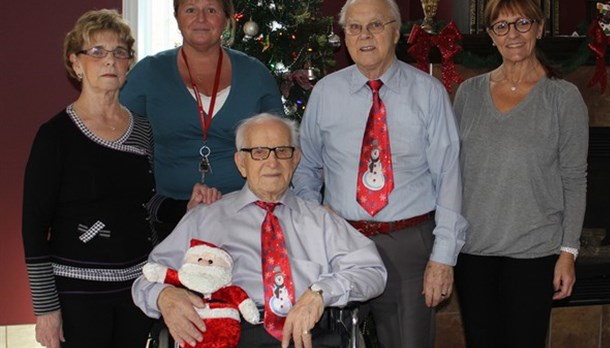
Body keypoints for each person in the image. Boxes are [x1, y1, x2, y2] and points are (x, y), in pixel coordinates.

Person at [292, 0, 467, 347]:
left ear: (396, 32)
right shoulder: (326, 93)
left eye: (375, 25)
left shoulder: (429, 93)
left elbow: (449, 178)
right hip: (339, 243)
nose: (364, 36)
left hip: (408, 246)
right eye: (354, 28)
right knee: (330, 341)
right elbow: (306, 165)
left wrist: (443, 258)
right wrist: (314, 218)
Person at [132, 113, 387, 348]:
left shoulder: (321, 221)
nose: (272, 162)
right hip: (229, 334)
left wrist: (321, 292)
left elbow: (372, 271)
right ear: (241, 162)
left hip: (306, 334)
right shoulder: (204, 218)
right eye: (259, 152)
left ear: (295, 159)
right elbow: (147, 278)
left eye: (282, 151)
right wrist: (163, 296)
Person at [452, 1, 589, 347]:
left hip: (534, 255)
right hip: (473, 254)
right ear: (491, 36)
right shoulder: (468, 94)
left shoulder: (563, 98)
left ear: (540, 28)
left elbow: (574, 180)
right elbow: (450, 173)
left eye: (522, 23)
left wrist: (568, 253)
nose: (512, 34)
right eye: (501, 26)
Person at [21, 9, 155, 348]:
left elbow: (148, 204)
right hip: (76, 294)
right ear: (76, 63)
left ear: (128, 64)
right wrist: (45, 309)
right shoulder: (55, 135)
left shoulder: (142, 129)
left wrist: (189, 204)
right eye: (97, 52)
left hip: (136, 291)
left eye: (119, 52)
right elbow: (34, 226)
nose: (109, 60)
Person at [120, 0, 284, 239]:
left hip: (246, 215)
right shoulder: (148, 73)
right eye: (190, 9)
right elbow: (119, 141)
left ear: (227, 19)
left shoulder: (256, 74)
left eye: (211, 10)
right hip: (167, 216)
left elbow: (280, 147)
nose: (200, 18)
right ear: (176, 18)